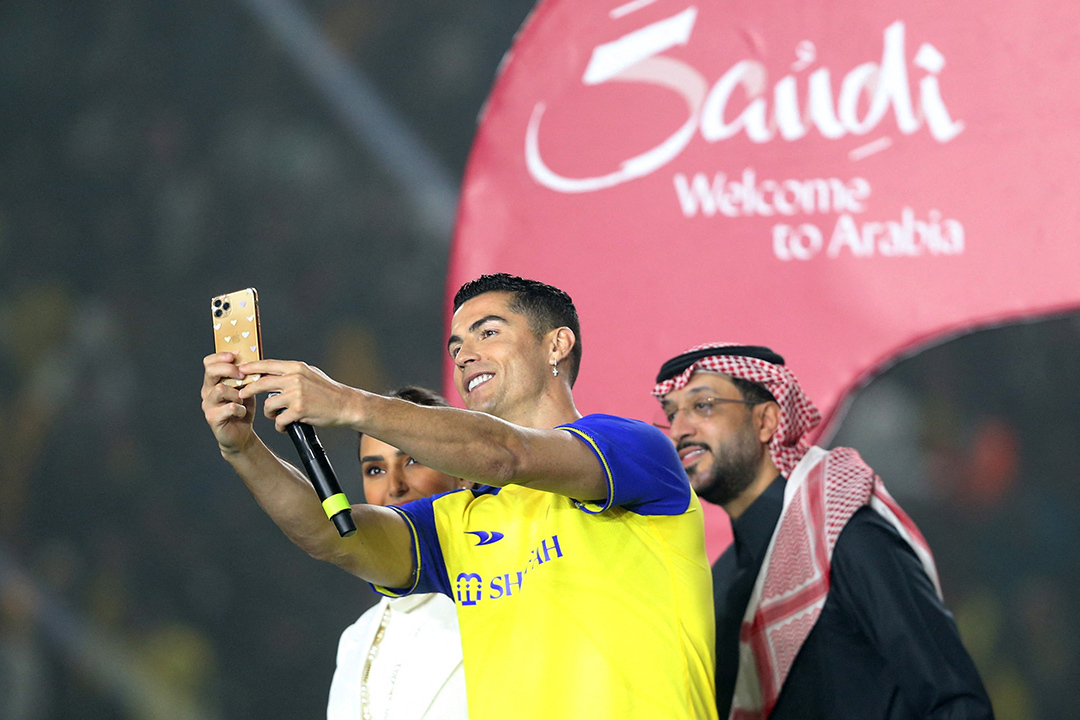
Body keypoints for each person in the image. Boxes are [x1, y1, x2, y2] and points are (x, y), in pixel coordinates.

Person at [201, 274, 717, 720]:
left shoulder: (633, 450)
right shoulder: (456, 520)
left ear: (557, 345)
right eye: (455, 348)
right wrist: (242, 449)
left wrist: (348, 402)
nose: (465, 355)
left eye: (488, 333)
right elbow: (330, 536)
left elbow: (507, 454)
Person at [651, 343, 993, 720]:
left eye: (702, 406)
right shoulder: (721, 579)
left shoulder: (845, 536)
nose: (678, 431)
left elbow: (955, 703)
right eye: (671, 414)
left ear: (766, 421)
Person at [327, 386, 468, 720]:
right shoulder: (356, 639)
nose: (394, 486)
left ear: (464, 473)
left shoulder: (502, 594)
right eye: (375, 470)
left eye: (414, 460)